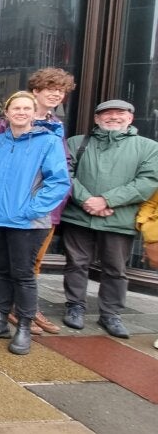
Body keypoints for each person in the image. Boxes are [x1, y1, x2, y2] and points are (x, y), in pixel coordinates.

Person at [0, 91, 70, 355]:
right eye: (16, 107)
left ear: (33, 111)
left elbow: (59, 181)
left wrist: (32, 208)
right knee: (1, 272)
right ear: (7, 112)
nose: (21, 112)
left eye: (27, 108)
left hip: (27, 222)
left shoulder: (48, 141)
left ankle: (24, 327)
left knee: (24, 275)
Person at [61, 99, 158, 338]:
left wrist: (106, 200)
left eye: (119, 113)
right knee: (76, 263)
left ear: (130, 118)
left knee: (115, 268)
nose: (113, 117)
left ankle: (110, 314)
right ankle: (75, 306)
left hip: (119, 219)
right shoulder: (77, 143)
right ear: (96, 118)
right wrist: (86, 200)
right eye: (107, 113)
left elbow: (147, 182)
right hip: (79, 216)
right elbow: (64, 174)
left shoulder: (148, 148)